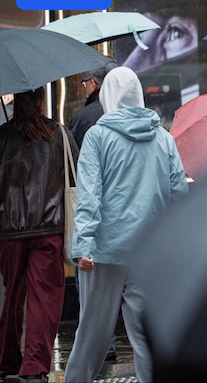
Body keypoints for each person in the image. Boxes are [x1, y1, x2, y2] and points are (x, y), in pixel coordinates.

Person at [64, 67, 189, 383]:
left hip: (106, 250)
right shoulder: (163, 137)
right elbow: (178, 193)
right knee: (146, 335)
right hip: (151, 250)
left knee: (92, 331)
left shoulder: (98, 137)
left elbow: (89, 194)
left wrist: (83, 245)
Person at [0, 87, 77, 383]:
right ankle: (34, 365)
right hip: (48, 228)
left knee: (10, 297)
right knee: (44, 298)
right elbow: (74, 176)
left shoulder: (3, 138)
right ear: (42, 102)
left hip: (9, 230)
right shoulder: (58, 134)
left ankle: (6, 359)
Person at [67, 59, 120, 363]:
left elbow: (83, 183)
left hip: (99, 224)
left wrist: (81, 242)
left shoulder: (86, 121)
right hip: (136, 229)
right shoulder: (152, 126)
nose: (83, 86)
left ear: (97, 83)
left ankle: (104, 346)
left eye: (85, 81)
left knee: (92, 296)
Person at [69, 60, 118, 151]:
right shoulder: (130, 111)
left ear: (92, 83)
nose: (85, 88)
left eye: (84, 83)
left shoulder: (82, 118)